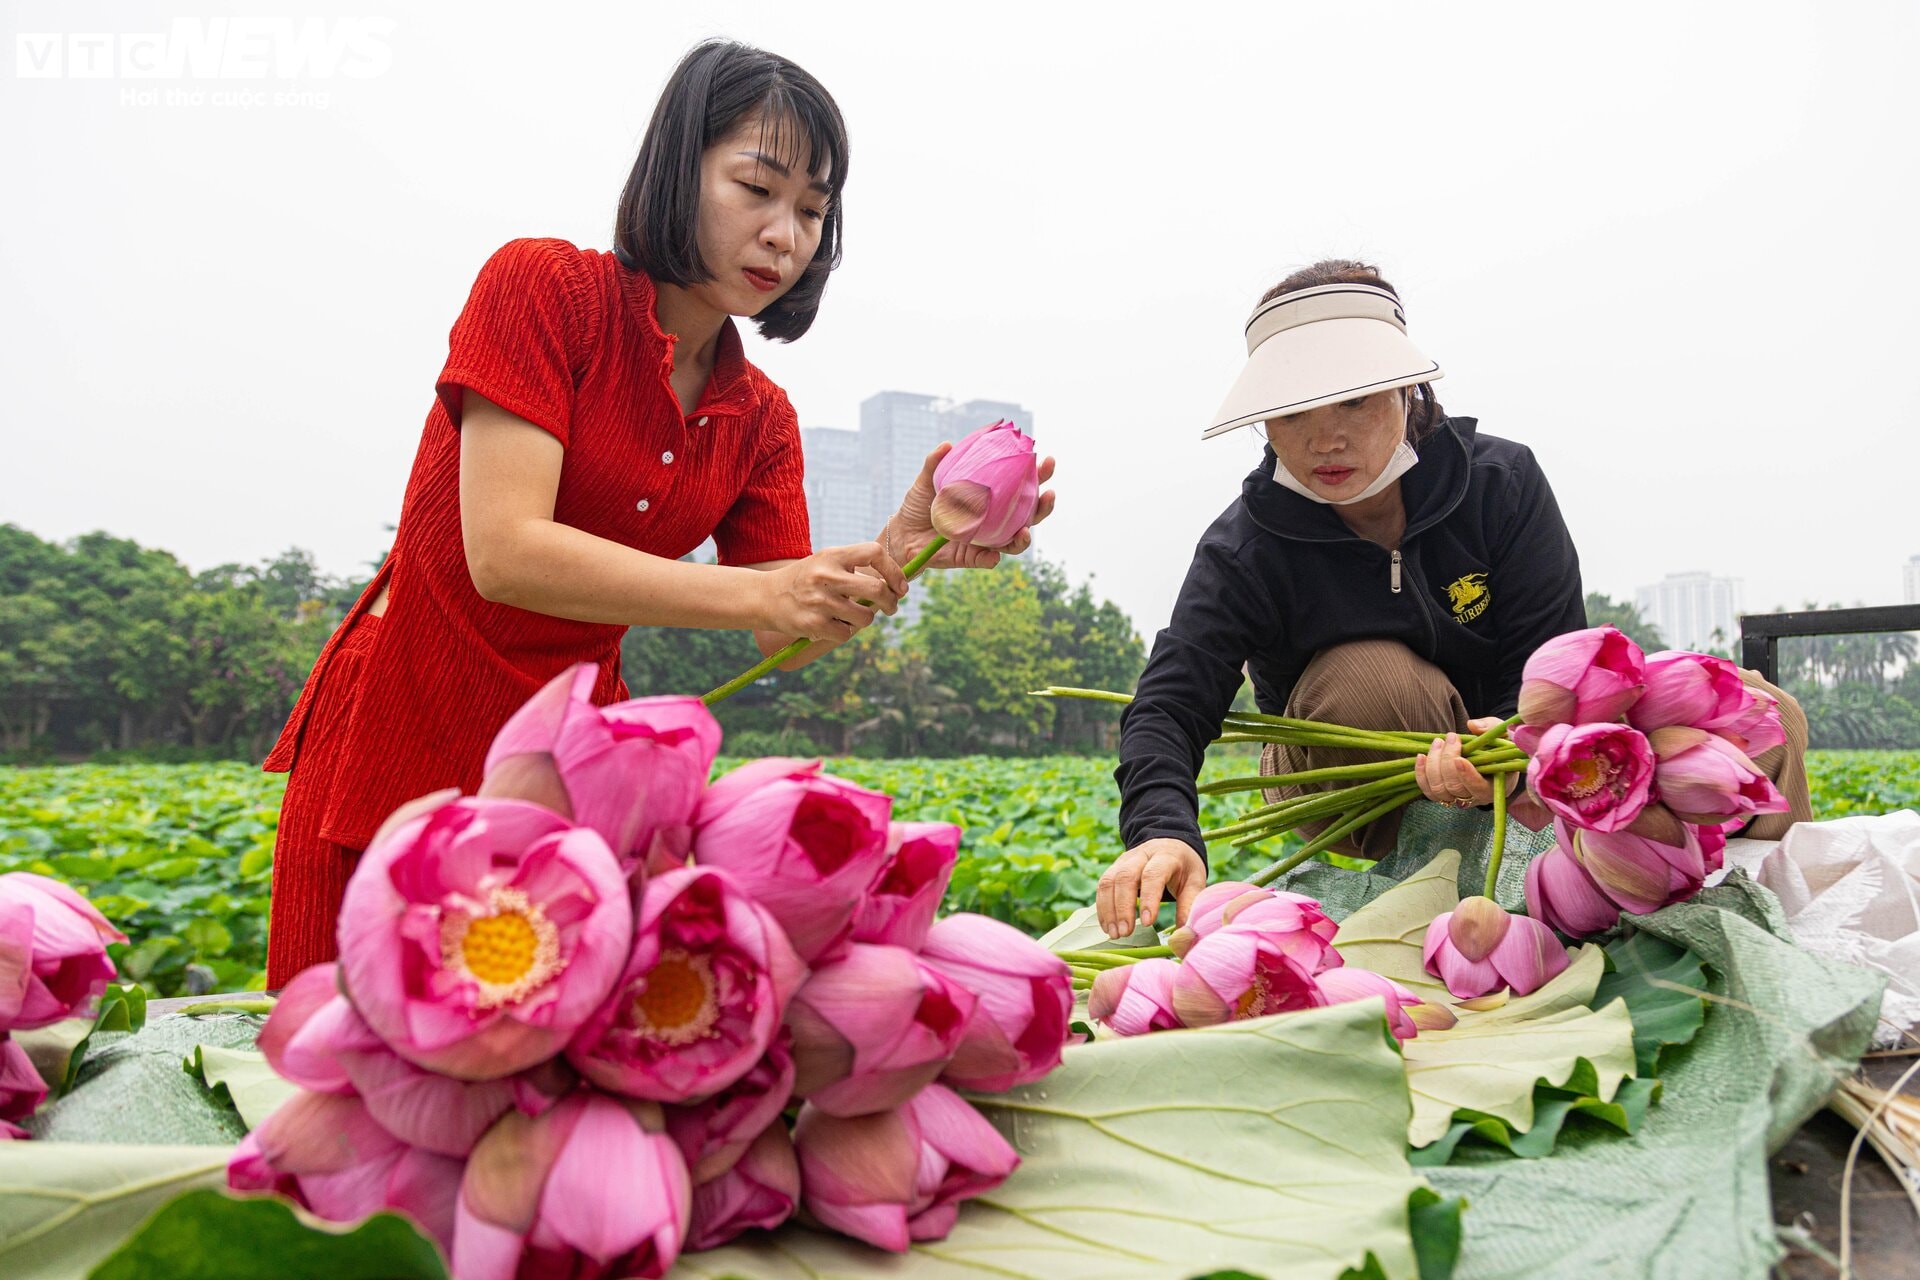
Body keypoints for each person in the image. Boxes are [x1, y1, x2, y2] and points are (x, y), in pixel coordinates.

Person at [262, 40, 1054, 987]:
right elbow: (505, 552)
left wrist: (893, 555)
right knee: (336, 1071)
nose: (784, 235)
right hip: (403, 732)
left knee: (537, 1087)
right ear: (680, 168)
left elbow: (783, 636)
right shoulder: (544, 289)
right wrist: (766, 599)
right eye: (756, 187)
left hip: (576, 771)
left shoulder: (761, 416)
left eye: (812, 210)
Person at [1094, 260, 1808, 939]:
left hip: (1501, 751)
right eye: (1292, 412)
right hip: (1347, 771)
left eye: (1355, 399)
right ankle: (1476, 895)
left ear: (1408, 393)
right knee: (1369, 677)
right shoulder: (1245, 547)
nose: (1325, 436)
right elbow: (1171, 702)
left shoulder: (1502, 484)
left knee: (1761, 715)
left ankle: (1756, 901)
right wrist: (1161, 831)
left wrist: (1503, 754)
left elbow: (1555, 671)